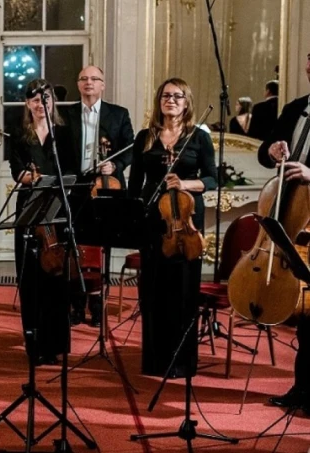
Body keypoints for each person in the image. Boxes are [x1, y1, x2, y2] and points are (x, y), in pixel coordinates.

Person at [128, 77, 217, 378]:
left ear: (186, 102)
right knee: (153, 290)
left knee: (183, 291)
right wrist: (134, 214)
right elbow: (135, 182)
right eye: (166, 95)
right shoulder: (145, 137)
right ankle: (154, 360)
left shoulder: (198, 137)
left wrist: (186, 184)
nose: (171, 100)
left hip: (187, 220)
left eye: (178, 96)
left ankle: (181, 362)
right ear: (159, 101)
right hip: (155, 220)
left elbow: (212, 178)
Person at [60, 65, 135, 327]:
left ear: (103, 84)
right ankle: (76, 305)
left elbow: (130, 148)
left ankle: (98, 304)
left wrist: (115, 165)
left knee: (102, 246)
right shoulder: (66, 114)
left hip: (107, 187)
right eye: (83, 78)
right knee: (76, 247)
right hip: (77, 187)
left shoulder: (118, 114)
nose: (89, 82)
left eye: (94, 79)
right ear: (78, 84)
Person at [8, 78, 74, 366]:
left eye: (45, 98)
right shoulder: (19, 134)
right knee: (31, 280)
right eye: (35, 99)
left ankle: (55, 345)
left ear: (52, 102)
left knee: (57, 279)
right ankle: (34, 345)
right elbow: (17, 172)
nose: (40, 104)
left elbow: (72, 169)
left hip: (58, 208)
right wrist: (31, 178)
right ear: (27, 103)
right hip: (31, 208)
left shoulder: (64, 133)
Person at [262, 51, 310, 413]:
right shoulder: (295, 108)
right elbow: (266, 152)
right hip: (292, 214)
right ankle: (301, 388)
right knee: (306, 319)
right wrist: (272, 149)